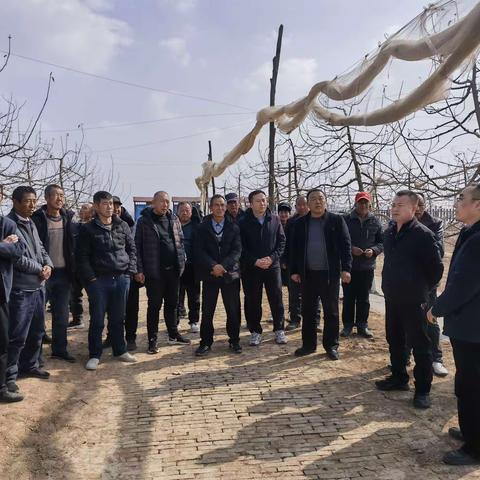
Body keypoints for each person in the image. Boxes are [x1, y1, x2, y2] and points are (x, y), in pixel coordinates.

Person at [376, 190, 443, 409]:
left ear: (414, 209)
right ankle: (399, 377)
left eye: (400, 205)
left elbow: (436, 270)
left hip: (415, 300)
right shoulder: (389, 233)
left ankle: (422, 390)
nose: (394, 208)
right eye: (393, 204)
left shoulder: (423, 235)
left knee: (420, 345)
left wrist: (423, 291)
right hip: (393, 297)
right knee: (394, 338)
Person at [428, 184, 480, 465]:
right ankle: (472, 431)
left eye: (462, 199)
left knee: (472, 385)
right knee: (469, 383)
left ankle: (475, 448)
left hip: (473, 328)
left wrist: (437, 308)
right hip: (469, 326)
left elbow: (464, 285)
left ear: (478, 205)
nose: (457, 202)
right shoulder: (470, 232)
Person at [76, 191, 137, 370]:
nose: (109, 207)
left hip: (121, 278)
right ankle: (94, 354)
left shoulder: (122, 225)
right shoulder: (87, 229)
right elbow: (82, 258)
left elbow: (132, 249)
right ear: (96, 206)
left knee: (118, 318)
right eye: (105, 204)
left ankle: (120, 350)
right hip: (99, 281)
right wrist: (91, 279)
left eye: (111, 203)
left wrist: (129, 272)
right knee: (97, 320)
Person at [290, 189, 352, 360]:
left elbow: (346, 246)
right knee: (308, 311)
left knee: (331, 311)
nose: (317, 202)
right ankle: (308, 345)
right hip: (307, 274)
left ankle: (331, 346)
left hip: (329, 275)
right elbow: (294, 249)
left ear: (325, 201)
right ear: (307, 203)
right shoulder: (300, 223)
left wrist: (346, 268)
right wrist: (294, 271)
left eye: (320, 198)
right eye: (313, 199)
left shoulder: (336, 220)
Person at [6, 186, 53, 395]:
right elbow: (15, 257)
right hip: (21, 289)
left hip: (38, 287)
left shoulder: (31, 222)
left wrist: (48, 265)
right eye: (27, 201)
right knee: (17, 335)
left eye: (34, 200)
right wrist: (38, 268)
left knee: (37, 332)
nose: (32, 205)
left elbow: (40, 248)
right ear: (15, 202)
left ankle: (31, 365)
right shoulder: (9, 224)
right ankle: (10, 375)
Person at [134, 191, 190, 354]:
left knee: (172, 305)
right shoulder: (144, 221)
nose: (165, 204)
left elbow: (180, 242)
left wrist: (181, 263)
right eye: (162, 201)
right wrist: (139, 269)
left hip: (173, 271)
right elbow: (137, 247)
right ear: (153, 202)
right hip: (154, 272)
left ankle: (173, 334)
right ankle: (152, 340)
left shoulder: (173, 219)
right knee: (154, 306)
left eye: (167, 202)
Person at [32, 184, 77, 363]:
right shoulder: (38, 219)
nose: (60, 198)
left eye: (62, 195)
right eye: (56, 195)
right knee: (37, 316)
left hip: (64, 274)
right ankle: (35, 356)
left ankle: (60, 349)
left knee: (62, 314)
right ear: (47, 198)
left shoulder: (68, 218)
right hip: (42, 275)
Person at [194, 195, 242, 356]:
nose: (220, 208)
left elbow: (237, 250)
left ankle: (234, 340)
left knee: (233, 310)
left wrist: (223, 266)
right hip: (210, 275)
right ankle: (205, 342)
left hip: (230, 275)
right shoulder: (202, 227)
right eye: (216, 205)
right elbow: (198, 251)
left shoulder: (233, 226)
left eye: (222, 205)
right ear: (211, 207)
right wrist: (213, 265)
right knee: (207, 311)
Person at [239, 190, 287, 346]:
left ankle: (279, 329)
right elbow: (240, 247)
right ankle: (255, 331)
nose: (262, 203)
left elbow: (281, 242)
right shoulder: (243, 222)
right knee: (253, 300)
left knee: (277, 299)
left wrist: (272, 258)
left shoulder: (274, 220)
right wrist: (255, 261)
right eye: (258, 201)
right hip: (252, 268)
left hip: (272, 267)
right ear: (250, 203)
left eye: (264, 200)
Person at [341, 192, 383, 339]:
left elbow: (382, 242)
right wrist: (351, 249)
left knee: (364, 298)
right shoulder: (346, 220)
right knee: (348, 297)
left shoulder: (375, 222)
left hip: (367, 267)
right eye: (360, 203)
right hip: (349, 267)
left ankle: (362, 325)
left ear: (369, 204)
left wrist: (374, 250)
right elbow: (340, 241)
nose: (363, 205)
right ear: (355, 204)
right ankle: (347, 325)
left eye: (365, 203)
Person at [415, 193, 448, 377]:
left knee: (430, 319)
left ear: (424, 205)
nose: (418, 208)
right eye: (415, 204)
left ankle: (436, 359)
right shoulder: (401, 222)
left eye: (421, 204)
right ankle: (403, 359)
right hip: (407, 282)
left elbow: (439, 250)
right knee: (407, 321)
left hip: (428, 282)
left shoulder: (435, 223)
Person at [0, 208, 25, 403]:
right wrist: (2, 245)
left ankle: (1, 388)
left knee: (2, 340)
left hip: (2, 292)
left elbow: (18, 251)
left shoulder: (7, 224)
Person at [68, 202, 93, 329]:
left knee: (93, 295)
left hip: (89, 269)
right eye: (81, 208)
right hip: (75, 266)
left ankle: (95, 319)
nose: (81, 210)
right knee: (75, 294)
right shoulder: (75, 226)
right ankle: (77, 319)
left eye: (85, 208)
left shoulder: (94, 226)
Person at [176, 202, 201, 333]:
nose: (184, 213)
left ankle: (194, 321)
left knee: (194, 296)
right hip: (176, 266)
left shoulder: (197, 227)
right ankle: (176, 321)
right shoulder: (173, 225)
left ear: (191, 212)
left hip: (192, 266)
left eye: (187, 210)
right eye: (182, 210)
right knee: (176, 296)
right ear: (177, 211)